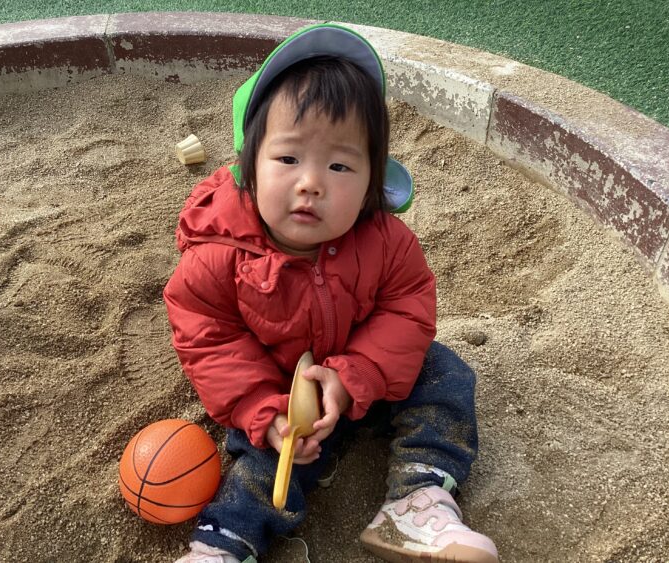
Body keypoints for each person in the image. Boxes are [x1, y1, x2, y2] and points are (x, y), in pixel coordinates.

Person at [163, 23, 499, 563]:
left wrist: (353, 375)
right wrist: (262, 409)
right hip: (278, 392)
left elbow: (407, 308)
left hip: (363, 378)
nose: (311, 183)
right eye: (288, 159)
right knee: (263, 462)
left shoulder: (386, 241)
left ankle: (415, 502)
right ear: (249, 165)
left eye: (340, 165)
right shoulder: (218, 254)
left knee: (445, 374)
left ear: (370, 183)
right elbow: (209, 339)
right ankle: (222, 544)